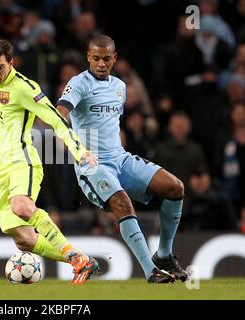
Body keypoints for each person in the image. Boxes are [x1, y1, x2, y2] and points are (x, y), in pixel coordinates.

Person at [56, 35, 189, 283]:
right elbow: (60, 112)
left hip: (120, 159)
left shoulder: (120, 86)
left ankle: (164, 255)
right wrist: (69, 139)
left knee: (175, 187)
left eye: (107, 58)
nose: (101, 63)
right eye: (96, 58)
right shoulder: (79, 83)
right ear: (88, 57)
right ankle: (151, 271)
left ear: (114, 58)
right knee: (123, 204)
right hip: (92, 164)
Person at [0, 37, 99, 284]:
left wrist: (79, 151)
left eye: (0, 67)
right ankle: (81, 260)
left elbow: (55, 118)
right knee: (24, 239)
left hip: (22, 161)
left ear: (11, 63)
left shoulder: (25, 87)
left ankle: (74, 256)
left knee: (21, 206)